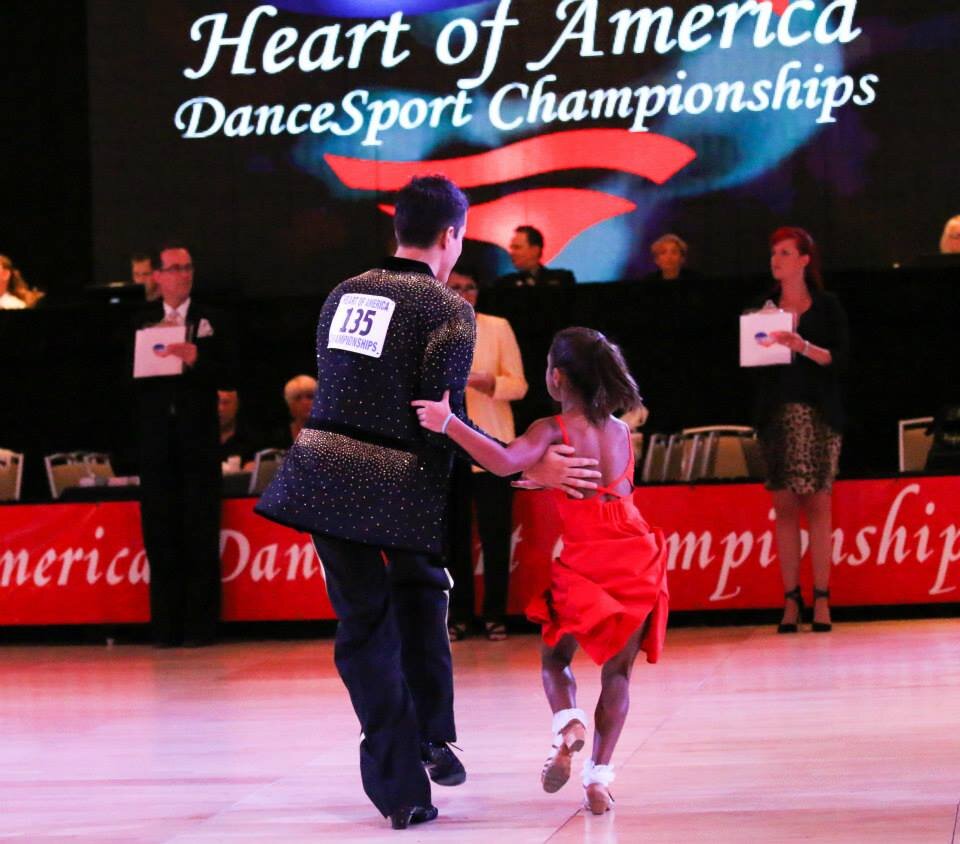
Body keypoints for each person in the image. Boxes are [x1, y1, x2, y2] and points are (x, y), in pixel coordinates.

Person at [254, 176, 600, 830]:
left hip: (323, 473)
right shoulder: (447, 309)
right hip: (398, 478)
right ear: (451, 236)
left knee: (366, 628)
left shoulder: (342, 293)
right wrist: (520, 467)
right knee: (421, 596)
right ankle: (431, 736)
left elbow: (343, 390)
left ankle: (405, 785)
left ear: (398, 230)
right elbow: (441, 416)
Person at [413, 326, 669, 816]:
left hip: (588, 555)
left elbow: (504, 463)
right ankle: (598, 777)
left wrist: (449, 422)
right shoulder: (620, 429)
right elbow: (600, 485)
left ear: (555, 376)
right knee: (618, 673)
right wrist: (541, 480)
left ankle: (568, 724)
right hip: (636, 553)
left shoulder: (551, 429)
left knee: (555, 659)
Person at [134, 242, 233, 648]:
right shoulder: (139, 321)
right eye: (174, 268)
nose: (184, 274)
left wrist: (198, 360)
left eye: (188, 267)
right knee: (160, 532)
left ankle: (201, 626)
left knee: (200, 530)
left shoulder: (212, 319)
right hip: (156, 444)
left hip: (197, 443)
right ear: (157, 275)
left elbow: (232, 370)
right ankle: (166, 626)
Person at [752, 227, 850, 634]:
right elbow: (751, 366)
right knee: (785, 509)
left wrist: (800, 344)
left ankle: (822, 597)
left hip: (818, 416)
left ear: (805, 259)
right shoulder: (764, 307)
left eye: (786, 252)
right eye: (774, 252)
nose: (777, 259)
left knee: (819, 506)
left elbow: (840, 360)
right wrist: (756, 337)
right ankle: (791, 599)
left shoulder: (827, 306)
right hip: (776, 417)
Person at [445, 266, 528, 642]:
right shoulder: (430, 328)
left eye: (471, 287)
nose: (465, 294)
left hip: (493, 444)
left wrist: (486, 381)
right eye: (456, 287)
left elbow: (520, 386)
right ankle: (459, 615)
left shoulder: (497, 327)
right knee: (453, 538)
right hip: (448, 446)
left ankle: (496, 614)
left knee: (496, 536)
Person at [496, 226, 576, 288]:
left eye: (517, 247)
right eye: (512, 248)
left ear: (535, 250)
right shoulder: (504, 283)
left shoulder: (562, 279)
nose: (512, 253)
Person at [218, 389, 258, 470]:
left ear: (236, 406)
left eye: (226, 403)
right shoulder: (200, 439)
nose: (220, 408)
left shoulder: (250, 438)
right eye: (216, 402)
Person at [280, 374, 317, 446]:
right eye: (298, 398)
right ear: (290, 405)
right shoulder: (281, 436)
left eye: (310, 396)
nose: (305, 402)